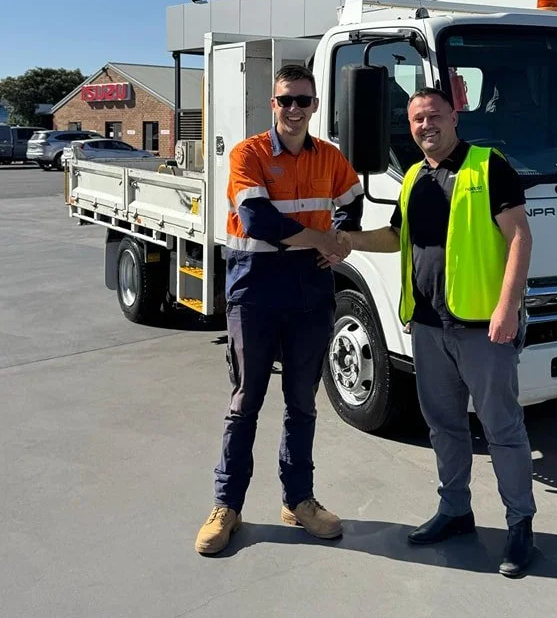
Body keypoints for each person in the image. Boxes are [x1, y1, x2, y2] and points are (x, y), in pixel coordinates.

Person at [348, 87, 536, 578]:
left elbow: (519, 235)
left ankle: (520, 526)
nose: (425, 126)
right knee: (445, 428)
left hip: (482, 329)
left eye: (434, 116)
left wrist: (507, 308)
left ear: (454, 117)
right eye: (416, 120)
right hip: (429, 327)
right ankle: (455, 510)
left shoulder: (488, 166)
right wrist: (346, 240)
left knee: (502, 431)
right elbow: (396, 236)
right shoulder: (413, 176)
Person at [195, 64, 363, 555]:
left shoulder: (330, 157)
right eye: (286, 100)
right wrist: (322, 240)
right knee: (246, 400)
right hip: (256, 291)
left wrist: (344, 240)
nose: (294, 109)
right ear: (273, 104)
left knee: (302, 404)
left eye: (303, 101)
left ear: (315, 106)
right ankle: (227, 505)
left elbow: (351, 202)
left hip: (311, 292)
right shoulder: (248, 154)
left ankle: (299, 500)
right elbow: (257, 219)